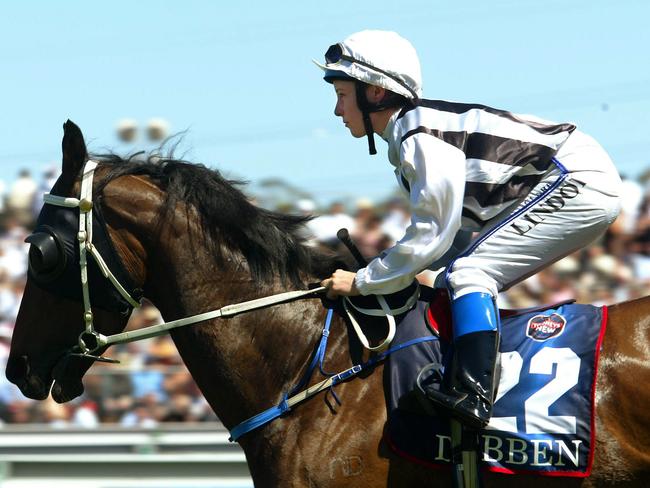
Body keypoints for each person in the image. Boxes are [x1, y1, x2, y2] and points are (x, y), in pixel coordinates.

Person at [316, 30, 622, 429]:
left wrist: (364, 281)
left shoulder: (418, 136)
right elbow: (446, 239)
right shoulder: (414, 134)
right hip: (572, 176)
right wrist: (390, 274)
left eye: (341, 95)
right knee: (456, 274)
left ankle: (474, 393)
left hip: (575, 176)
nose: (337, 111)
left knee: (469, 273)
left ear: (374, 93)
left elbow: (431, 236)